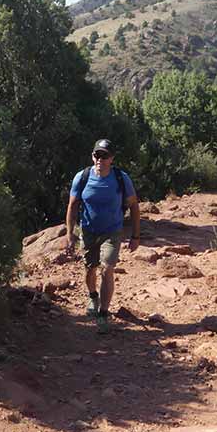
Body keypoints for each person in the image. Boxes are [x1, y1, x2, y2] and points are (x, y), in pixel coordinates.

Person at [64, 138, 140, 333]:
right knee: (90, 269)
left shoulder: (121, 178)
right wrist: (70, 234)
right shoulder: (82, 177)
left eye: (104, 155)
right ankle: (92, 296)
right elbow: (72, 206)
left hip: (112, 232)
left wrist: (135, 236)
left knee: (107, 268)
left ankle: (104, 314)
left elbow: (133, 205)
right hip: (88, 231)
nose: (100, 159)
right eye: (97, 155)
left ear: (111, 158)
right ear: (92, 156)